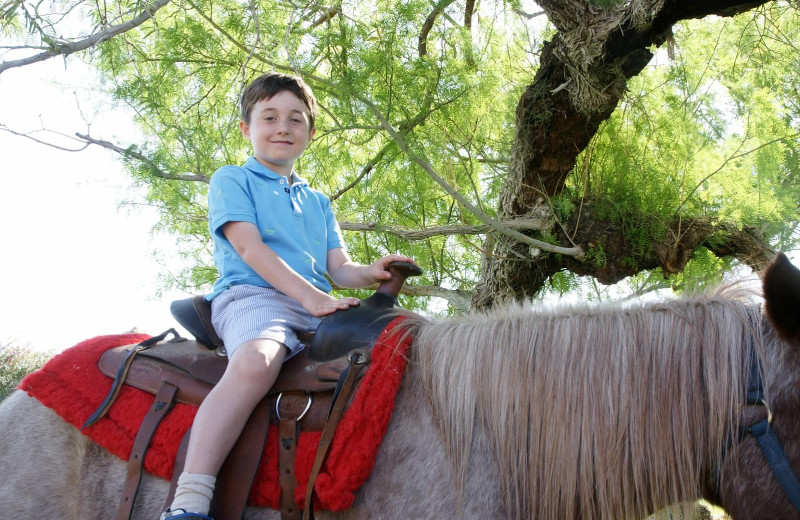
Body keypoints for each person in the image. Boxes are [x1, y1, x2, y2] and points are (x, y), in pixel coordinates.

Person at [161, 72, 414, 519]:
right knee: (256, 364)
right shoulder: (232, 179)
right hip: (253, 296)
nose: (283, 127)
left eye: (295, 120)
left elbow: (337, 268)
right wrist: (311, 297)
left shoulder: (318, 201)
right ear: (247, 128)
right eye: (270, 117)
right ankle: (190, 498)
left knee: (392, 358)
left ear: (309, 134)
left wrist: (371, 273)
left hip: (315, 303)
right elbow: (248, 247)